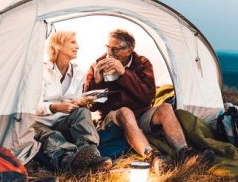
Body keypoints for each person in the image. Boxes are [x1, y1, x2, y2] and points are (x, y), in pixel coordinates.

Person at [86, 29, 209, 171]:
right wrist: (97, 81)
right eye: (108, 47)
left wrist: (124, 74)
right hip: (113, 118)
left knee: (165, 108)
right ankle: (153, 157)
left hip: (141, 114)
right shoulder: (97, 65)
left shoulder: (142, 63)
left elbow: (148, 96)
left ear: (129, 50)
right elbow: (91, 106)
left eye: (115, 48)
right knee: (125, 112)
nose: (110, 52)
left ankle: (184, 153)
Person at [32, 30, 112, 173]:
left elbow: (76, 100)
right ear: (58, 45)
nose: (78, 46)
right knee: (51, 136)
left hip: (63, 121)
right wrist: (55, 107)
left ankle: (89, 152)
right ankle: (70, 159)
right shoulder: (41, 70)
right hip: (39, 123)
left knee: (83, 112)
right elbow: (31, 107)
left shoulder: (78, 73)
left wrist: (82, 102)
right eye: (73, 42)